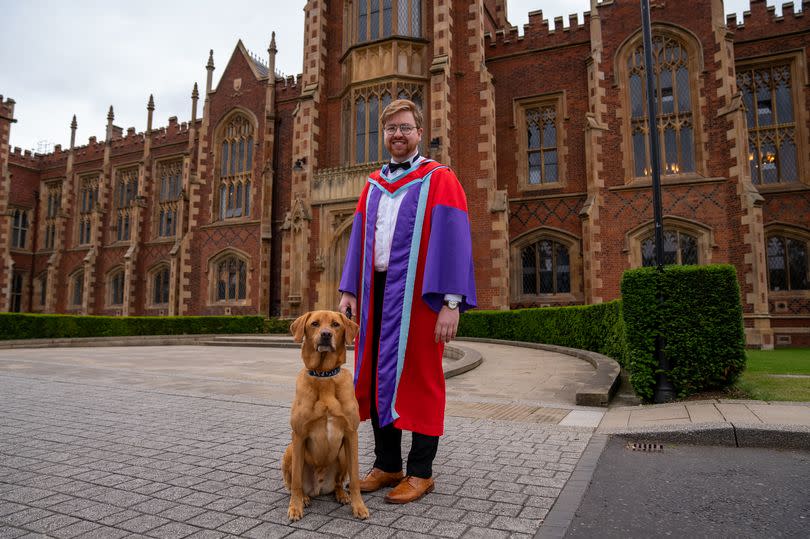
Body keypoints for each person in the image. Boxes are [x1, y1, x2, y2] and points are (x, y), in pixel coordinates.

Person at [338, 99, 476, 504]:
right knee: (378, 376)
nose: (397, 134)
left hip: (420, 297)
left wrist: (451, 303)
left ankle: (421, 472)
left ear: (419, 132)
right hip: (376, 293)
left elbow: (454, 241)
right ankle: (387, 464)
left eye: (405, 127)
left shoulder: (440, 178)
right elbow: (358, 240)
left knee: (422, 378)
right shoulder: (373, 185)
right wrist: (349, 290)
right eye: (391, 129)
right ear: (384, 135)